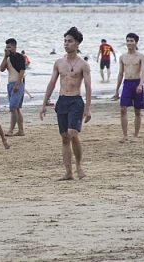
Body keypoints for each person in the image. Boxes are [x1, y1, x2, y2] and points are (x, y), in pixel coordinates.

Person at [40, 27, 91, 180]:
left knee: (73, 134)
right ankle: (68, 172)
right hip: (62, 101)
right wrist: (44, 104)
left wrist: (88, 108)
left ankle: (79, 166)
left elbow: (88, 87)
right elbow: (52, 83)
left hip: (76, 101)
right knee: (64, 137)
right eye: (65, 41)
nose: (66, 44)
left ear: (77, 44)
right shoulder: (58, 63)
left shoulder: (83, 65)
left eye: (69, 41)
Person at [114, 33, 144, 143]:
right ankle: (125, 135)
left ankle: (135, 135)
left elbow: (143, 71)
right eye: (128, 40)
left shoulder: (141, 56)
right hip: (127, 83)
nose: (129, 43)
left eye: (131, 41)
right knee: (123, 108)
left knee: (137, 111)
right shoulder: (123, 57)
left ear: (136, 42)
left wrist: (141, 84)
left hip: (137, 82)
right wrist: (117, 90)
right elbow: (120, 73)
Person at [0, 38, 26, 136]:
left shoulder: (19, 57)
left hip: (17, 83)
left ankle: (11, 130)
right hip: (10, 84)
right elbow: (2, 69)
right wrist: (5, 57)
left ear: (15, 47)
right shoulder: (8, 58)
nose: (8, 49)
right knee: (17, 108)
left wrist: (17, 84)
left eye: (9, 47)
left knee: (13, 107)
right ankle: (21, 130)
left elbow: (22, 71)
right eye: (6, 47)